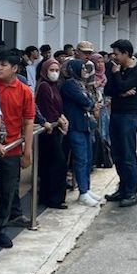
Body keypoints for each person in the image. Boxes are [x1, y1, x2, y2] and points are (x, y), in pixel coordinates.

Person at [0, 50, 35, 245]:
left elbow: (28, 122)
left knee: (8, 192)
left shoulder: (25, 91)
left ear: (15, 69)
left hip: (12, 150)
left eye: (3, 64)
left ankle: (0, 230)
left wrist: (27, 151)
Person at [105, 39, 137, 207]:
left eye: (117, 53)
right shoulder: (115, 68)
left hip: (129, 116)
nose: (114, 57)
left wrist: (118, 81)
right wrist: (121, 90)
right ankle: (122, 187)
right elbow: (109, 90)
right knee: (117, 154)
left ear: (126, 53)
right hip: (116, 114)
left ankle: (131, 192)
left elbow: (122, 86)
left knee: (128, 154)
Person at [61, 59, 99, 206]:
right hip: (75, 125)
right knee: (81, 159)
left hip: (84, 125)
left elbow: (89, 100)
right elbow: (85, 101)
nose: (85, 71)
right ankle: (83, 192)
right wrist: (90, 103)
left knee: (88, 158)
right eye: (82, 68)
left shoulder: (80, 84)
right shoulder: (69, 84)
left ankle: (87, 188)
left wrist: (90, 103)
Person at [35, 59, 68, 209]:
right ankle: (53, 198)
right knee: (56, 164)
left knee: (51, 165)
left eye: (57, 70)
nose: (54, 73)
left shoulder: (54, 86)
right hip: (48, 130)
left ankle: (50, 197)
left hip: (55, 128)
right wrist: (58, 120)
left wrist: (61, 117)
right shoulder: (44, 86)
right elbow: (47, 108)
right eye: (51, 70)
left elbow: (57, 106)